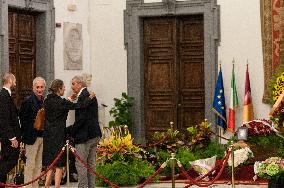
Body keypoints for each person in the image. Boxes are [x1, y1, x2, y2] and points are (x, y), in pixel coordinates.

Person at [42, 79, 94, 188]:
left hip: (47, 136)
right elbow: (79, 106)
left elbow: (61, 106)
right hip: (58, 136)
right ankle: (56, 186)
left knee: (51, 164)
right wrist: (89, 98)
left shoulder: (47, 100)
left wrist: (69, 99)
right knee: (59, 165)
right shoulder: (61, 102)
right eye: (63, 87)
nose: (65, 89)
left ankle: (46, 186)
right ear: (59, 88)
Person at [68, 75, 102, 188]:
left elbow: (81, 119)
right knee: (91, 164)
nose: (72, 86)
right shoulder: (88, 96)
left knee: (81, 164)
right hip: (94, 135)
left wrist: (71, 131)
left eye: (73, 84)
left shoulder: (83, 96)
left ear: (80, 84)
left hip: (85, 136)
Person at [19, 77, 46, 188]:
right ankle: (28, 187)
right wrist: (34, 124)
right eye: (37, 87)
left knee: (39, 165)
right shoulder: (27, 101)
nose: (39, 89)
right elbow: (23, 120)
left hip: (42, 136)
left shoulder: (44, 101)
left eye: (41, 87)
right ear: (33, 87)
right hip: (31, 138)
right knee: (30, 165)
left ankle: (35, 186)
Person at [0, 73, 21, 188]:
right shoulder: (4, 95)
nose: (16, 82)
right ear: (10, 80)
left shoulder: (6, 95)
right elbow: (4, 119)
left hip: (9, 136)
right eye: (15, 80)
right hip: (9, 137)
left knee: (7, 161)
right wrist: (12, 137)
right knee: (9, 161)